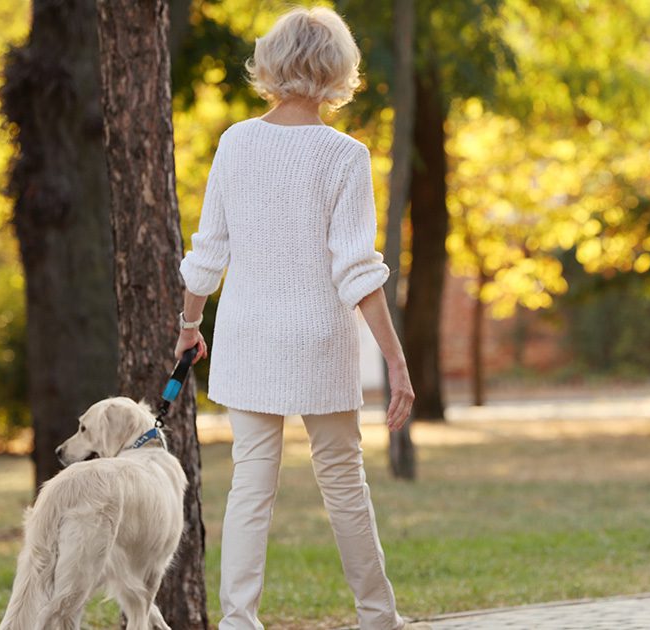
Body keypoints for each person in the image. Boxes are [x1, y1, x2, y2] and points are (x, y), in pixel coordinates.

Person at [174, 7, 419, 630]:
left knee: (250, 486)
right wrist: (395, 359)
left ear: (272, 63)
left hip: (247, 337)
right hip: (320, 338)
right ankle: (377, 616)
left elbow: (210, 252)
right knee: (343, 483)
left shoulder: (235, 142)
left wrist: (189, 325)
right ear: (338, 70)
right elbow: (358, 271)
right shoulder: (345, 156)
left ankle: (237, 621)